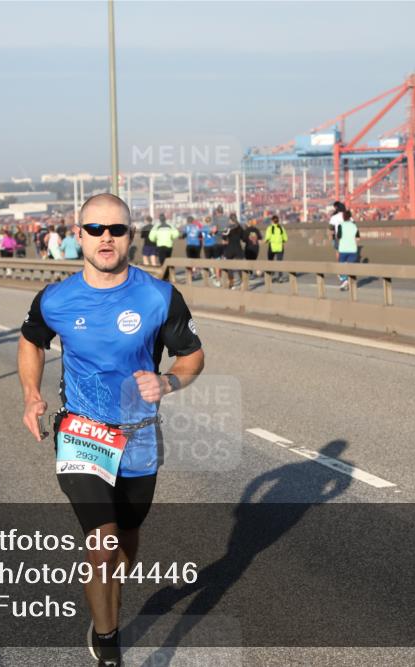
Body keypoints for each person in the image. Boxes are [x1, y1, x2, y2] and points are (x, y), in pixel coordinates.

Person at [17, 193, 204, 667]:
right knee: (102, 544)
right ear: (77, 234)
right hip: (82, 432)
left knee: (126, 542)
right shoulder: (55, 299)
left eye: (116, 230)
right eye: (95, 229)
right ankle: (107, 644)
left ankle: (108, 598)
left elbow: (193, 354)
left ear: (131, 237)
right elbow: (31, 340)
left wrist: (169, 380)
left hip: (139, 435)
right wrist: (31, 394)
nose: (106, 238)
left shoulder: (158, 296)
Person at [336, 210, 360, 289]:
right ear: (350, 217)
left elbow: (338, 237)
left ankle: (345, 280)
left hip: (343, 249)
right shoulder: (354, 226)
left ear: (343, 217)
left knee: (341, 268)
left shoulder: (340, 226)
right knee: (350, 267)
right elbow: (358, 238)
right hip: (353, 249)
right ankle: (348, 282)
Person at [222, 212, 245, 289]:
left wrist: (225, 240)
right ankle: (242, 282)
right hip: (238, 248)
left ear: (230, 220)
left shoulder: (228, 228)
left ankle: (231, 283)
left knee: (229, 266)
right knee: (239, 266)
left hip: (230, 248)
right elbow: (243, 238)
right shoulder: (240, 227)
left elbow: (224, 237)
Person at [264, 214, 288, 282]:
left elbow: (267, 238)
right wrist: (281, 241)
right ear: (278, 221)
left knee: (270, 262)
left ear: (272, 221)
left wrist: (265, 241)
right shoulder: (281, 228)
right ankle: (280, 277)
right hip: (280, 247)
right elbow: (286, 239)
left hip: (272, 247)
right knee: (279, 263)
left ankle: (270, 276)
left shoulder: (270, 228)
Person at [182, 216, 203, 280]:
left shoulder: (186, 227)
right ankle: (196, 272)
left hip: (190, 245)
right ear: (193, 221)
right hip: (197, 244)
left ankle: (191, 274)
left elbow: (184, 235)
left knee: (190, 259)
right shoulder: (197, 227)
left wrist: (183, 237)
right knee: (197, 258)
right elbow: (200, 235)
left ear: (187, 221)